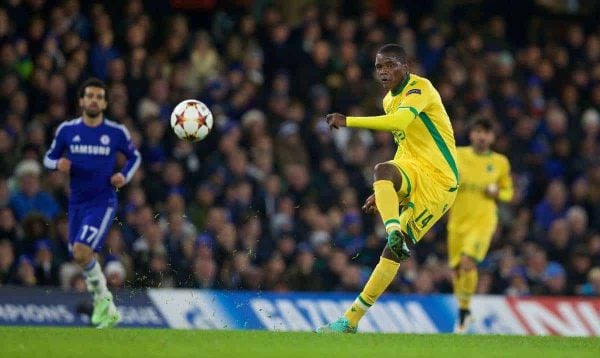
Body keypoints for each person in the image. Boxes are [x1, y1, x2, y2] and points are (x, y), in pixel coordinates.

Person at [317, 44, 459, 333]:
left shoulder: (421, 88)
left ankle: (354, 317)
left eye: (390, 65)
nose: (383, 71)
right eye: (379, 67)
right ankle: (350, 320)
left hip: (440, 182)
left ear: (405, 67)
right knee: (382, 170)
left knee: (392, 254)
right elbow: (404, 145)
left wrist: (349, 121)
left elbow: (401, 121)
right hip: (414, 168)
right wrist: (384, 189)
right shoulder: (387, 100)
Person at [43, 78, 141, 328]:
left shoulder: (116, 132)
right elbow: (48, 158)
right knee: (81, 256)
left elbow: (134, 156)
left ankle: (103, 300)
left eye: (99, 97)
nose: (94, 100)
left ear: (105, 103)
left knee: (81, 250)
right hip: (76, 203)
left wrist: (123, 175)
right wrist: (57, 164)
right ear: (81, 101)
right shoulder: (67, 130)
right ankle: (105, 306)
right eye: (90, 96)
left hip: (102, 201)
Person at [447, 117, 513, 333]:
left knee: (468, 262)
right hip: (457, 222)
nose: (482, 136)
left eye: (486, 132)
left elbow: (508, 192)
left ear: (492, 137)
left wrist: (497, 193)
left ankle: (464, 312)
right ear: (471, 134)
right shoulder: (457, 155)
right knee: (457, 270)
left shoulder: (500, 162)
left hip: (483, 223)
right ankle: (463, 309)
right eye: (478, 131)